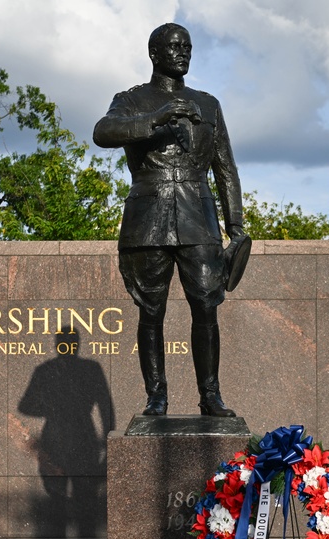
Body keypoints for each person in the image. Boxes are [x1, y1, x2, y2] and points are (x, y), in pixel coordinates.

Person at [93, 22, 247, 417]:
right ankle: (156, 396)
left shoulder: (208, 104)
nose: (183, 53)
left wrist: (236, 226)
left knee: (206, 306)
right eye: (175, 47)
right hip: (148, 214)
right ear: (154, 53)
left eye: (188, 47)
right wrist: (158, 117)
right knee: (151, 310)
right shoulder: (131, 100)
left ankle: (210, 395)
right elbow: (103, 132)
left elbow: (225, 166)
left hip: (198, 214)